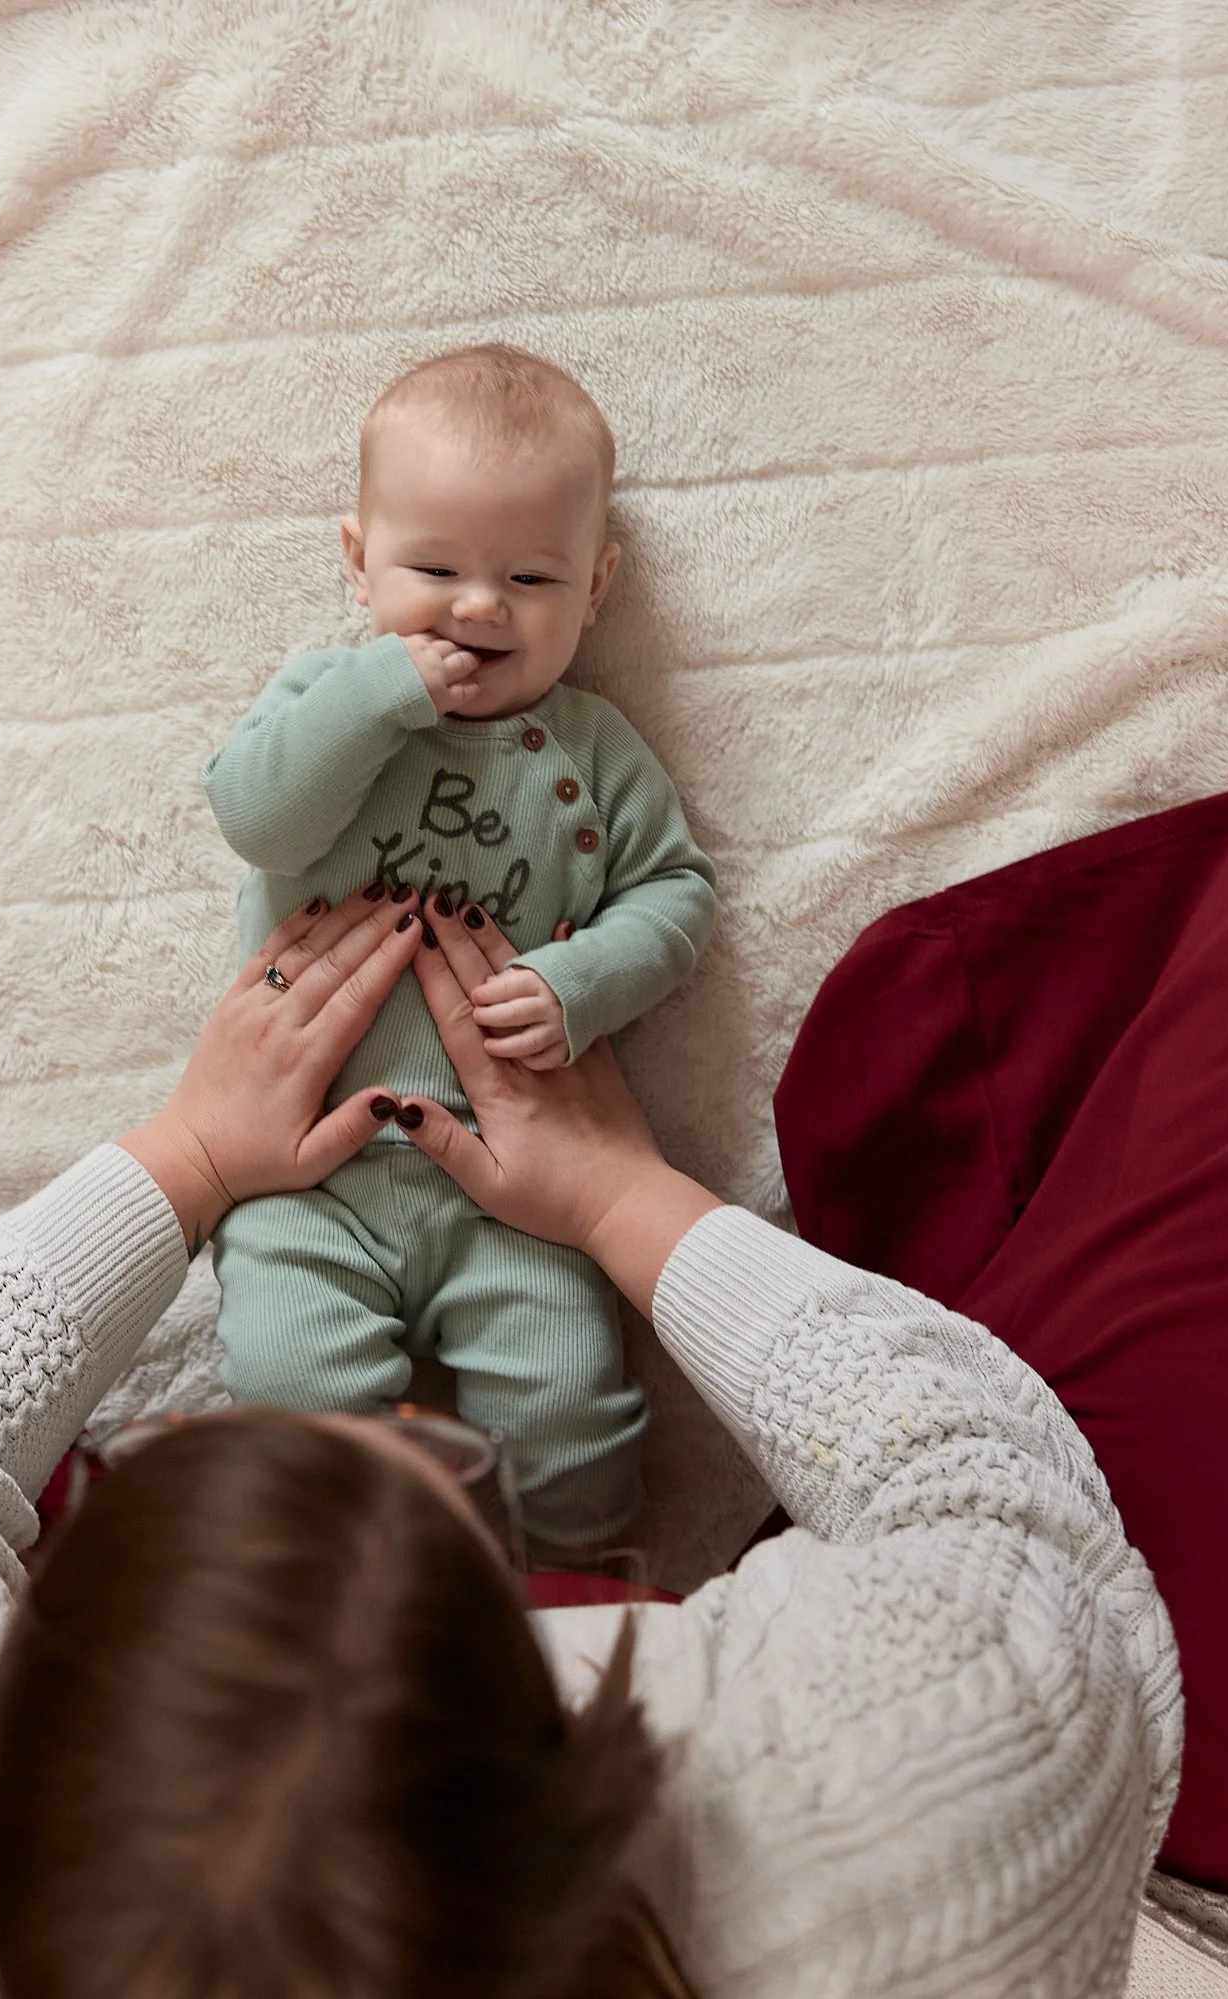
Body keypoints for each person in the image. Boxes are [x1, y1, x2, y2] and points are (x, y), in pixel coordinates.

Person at [0, 419, 1228, 1998]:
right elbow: (989, 1490)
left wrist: (181, 1156)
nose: (445, 1452)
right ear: (575, 1689)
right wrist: (633, 1196)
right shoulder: (915, 1793)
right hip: (1080, 1871)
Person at [202, 343, 717, 1557]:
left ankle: (563, 1597)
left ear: (597, 591)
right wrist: (385, 688)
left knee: (571, 1413)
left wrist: (579, 984)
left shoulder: (589, 744)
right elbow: (256, 816)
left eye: (529, 578)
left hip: (516, 1183)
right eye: (433, 569)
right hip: (308, 1174)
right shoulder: (327, 697)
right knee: (288, 1387)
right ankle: (350, 1599)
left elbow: (677, 895)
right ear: (358, 561)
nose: (477, 609)